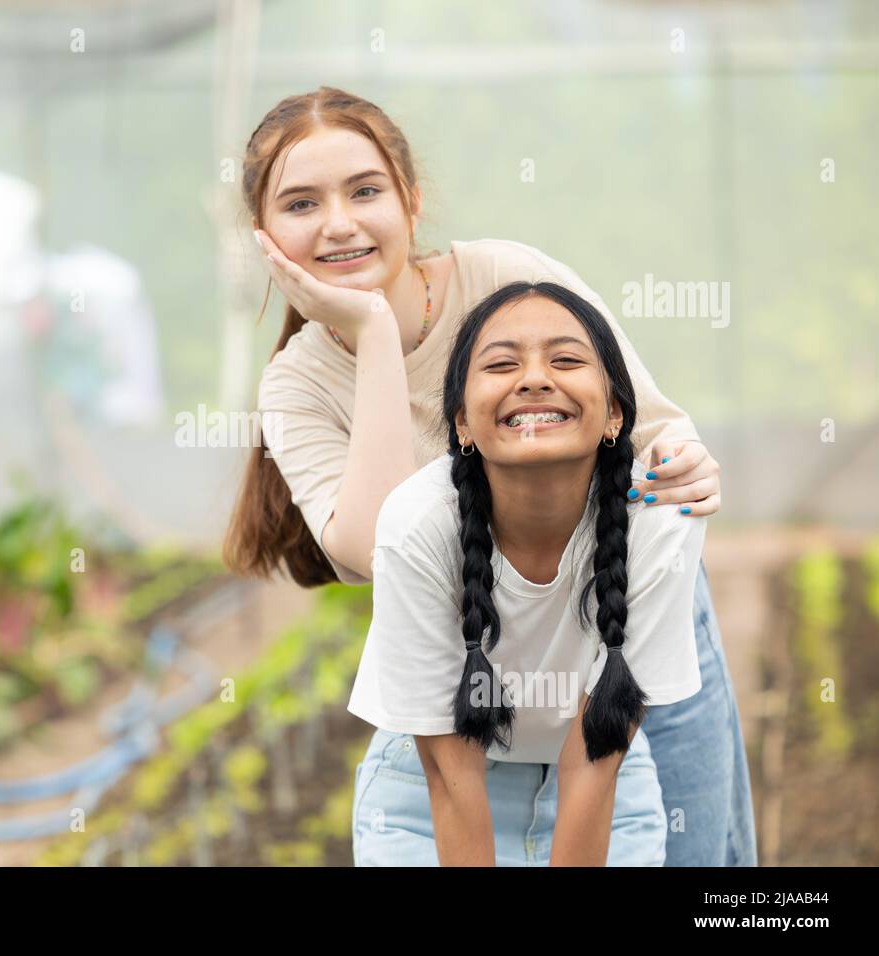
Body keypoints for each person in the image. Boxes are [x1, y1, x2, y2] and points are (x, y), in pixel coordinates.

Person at [221, 86, 756, 866]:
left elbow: (649, 433)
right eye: (302, 203)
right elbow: (378, 550)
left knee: (696, 854)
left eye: (365, 191)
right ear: (265, 235)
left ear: (411, 200)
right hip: (472, 662)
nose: (339, 222)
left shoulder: (505, 279)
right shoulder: (297, 384)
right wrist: (371, 332)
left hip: (617, 627)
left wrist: (685, 468)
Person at [349, 279, 703, 865]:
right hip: (428, 793)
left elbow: (594, 759)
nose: (535, 378)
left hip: (602, 783)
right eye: (502, 363)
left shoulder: (661, 522)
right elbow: (450, 773)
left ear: (614, 413)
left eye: (566, 359)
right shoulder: (417, 525)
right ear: (462, 423)